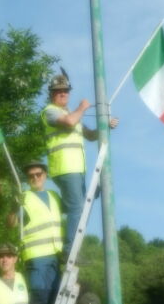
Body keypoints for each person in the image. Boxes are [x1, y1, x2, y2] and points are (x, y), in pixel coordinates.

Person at [41, 72, 118, 259]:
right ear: (52, 94)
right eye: (58, 91)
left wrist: (105, 126)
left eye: (65, 91)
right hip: (64, 167)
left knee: (79, 205)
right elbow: (69, 122)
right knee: (77, 207)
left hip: (76, 168)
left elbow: (90, 135)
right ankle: (69, 250)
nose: (62, 94)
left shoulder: (70, 114)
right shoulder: (50, 111)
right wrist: (82, 108)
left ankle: (54, 211)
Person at [7, 161, 63, 304]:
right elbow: (11, 224)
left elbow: (74, 206)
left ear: (45, 175)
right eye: (31, 176)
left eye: (38, 174)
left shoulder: (54, 196)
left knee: (56, 298)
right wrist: (14, 208)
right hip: (37, 258)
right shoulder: (24, 198)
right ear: (27, 178)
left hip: (56, 256)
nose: (35, 178)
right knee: (39, 298)